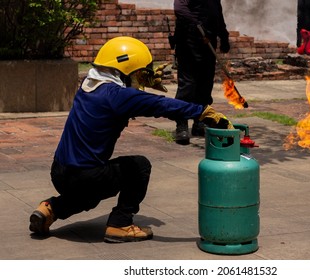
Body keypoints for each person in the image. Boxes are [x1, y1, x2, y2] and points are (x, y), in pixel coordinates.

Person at [29, 36, 233, 243]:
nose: (140, 79)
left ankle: (50, 209)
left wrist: (143, 82)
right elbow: (160, 105)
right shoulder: (117, 96)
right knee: (139, 166)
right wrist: (203, 111)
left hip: (60, 172)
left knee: (89, 196)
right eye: (139, 74)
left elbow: (128, 95)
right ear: (126, 70)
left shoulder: (89, 84)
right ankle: (121, 224)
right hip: (86, 177)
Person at [173, 0, 230, 145]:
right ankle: (181, 126)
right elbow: (180, 9)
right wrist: (197, 24)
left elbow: (217, 15)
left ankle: (200, 123)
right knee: (188, 85)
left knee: (205, 85)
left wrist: (224, 36)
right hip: (189, 41)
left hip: (207, 43)